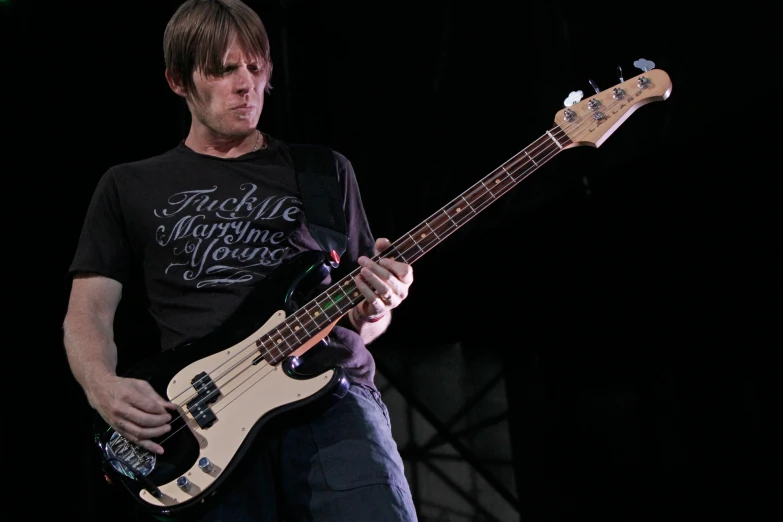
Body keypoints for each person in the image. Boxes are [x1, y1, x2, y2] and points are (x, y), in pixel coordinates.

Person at [61, 1, 417, 520]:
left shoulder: (324, 172)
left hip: (332, 407)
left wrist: (380, 305)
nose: (246, 84)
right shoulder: (127, 185)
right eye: (225, 69)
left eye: (255, 66)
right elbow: (87, 312)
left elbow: (361, 321)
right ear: (178, 80)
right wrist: (102, 385)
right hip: (207, 423)